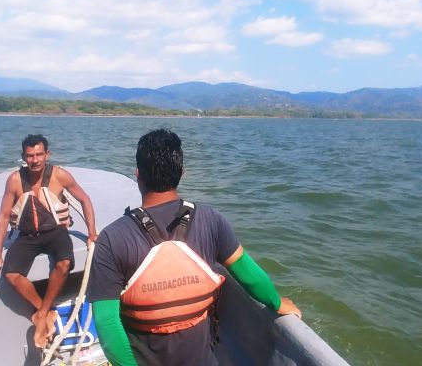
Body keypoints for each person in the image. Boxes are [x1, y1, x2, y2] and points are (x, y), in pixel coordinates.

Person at [87, 129, 301, 366]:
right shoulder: (211, 219)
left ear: (138, 174)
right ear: (182, 173)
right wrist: (277, 302)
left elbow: (107, 325)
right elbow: (247, 272)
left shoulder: (112, 238)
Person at [0, 134, 98, 347]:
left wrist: (92, 233)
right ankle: (44, 311)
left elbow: (85, 200)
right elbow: (3, 215)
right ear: (23, 157)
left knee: (64, 263)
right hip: (27, 236)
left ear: (47, 154)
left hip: (55, 232)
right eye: (30, 156)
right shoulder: (15, 180)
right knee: (11, 274)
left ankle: (42, 313)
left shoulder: (60, 175)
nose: (35, 160)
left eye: (39, 154)